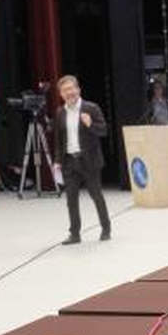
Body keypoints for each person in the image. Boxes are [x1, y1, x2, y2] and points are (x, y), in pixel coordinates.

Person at [52, 75, 112, 244]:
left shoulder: (90, 108)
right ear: (61, 94)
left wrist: (90, 124)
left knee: (96, 195)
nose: (69, 92)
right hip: (70, 161)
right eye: (65, 90)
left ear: (78, 90)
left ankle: (106, 227)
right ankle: (75, 234)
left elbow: (103, 131)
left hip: (89, 161)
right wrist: (57, 160)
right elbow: (59, 139)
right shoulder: (60, 112)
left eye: (71, 88)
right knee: (71, 200)